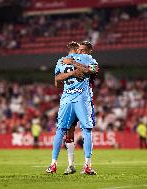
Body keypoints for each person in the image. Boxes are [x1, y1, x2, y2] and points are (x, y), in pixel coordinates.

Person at [46, 41, 98, 175]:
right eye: (79, 49)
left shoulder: (62, 60)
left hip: (69, 99)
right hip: (81, 100)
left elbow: (57, 81)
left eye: (83, 50)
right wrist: (73, 71)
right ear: (77, 49)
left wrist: (72, 64)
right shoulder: (85, 59)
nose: (81, 52)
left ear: (87, 51)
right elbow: (90, 70)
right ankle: (76, 165)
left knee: (62, 130)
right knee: (80, 130)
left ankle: (55, 165)